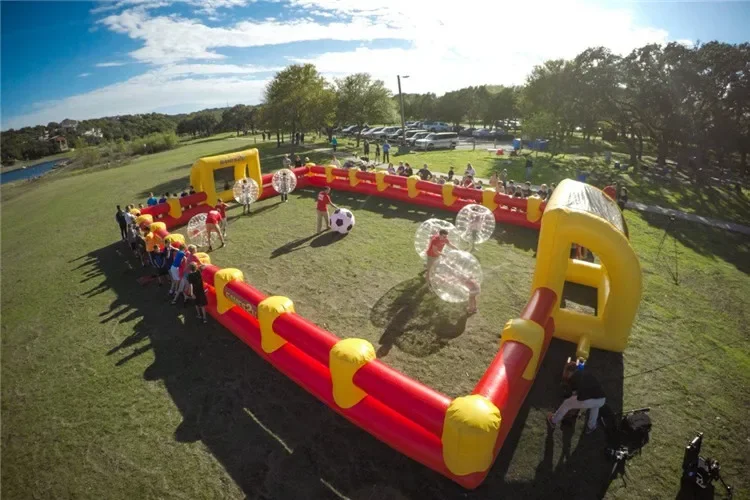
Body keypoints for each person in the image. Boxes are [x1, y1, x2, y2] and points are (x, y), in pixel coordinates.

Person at [547, 361, 606, 434]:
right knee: (595, 406)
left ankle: (553, 420)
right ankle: (591, 426)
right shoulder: (584, 373)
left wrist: (572, 409)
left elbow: (575, 396)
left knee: (567, 404)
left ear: (569, 371)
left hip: (590, 400)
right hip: (602, 399)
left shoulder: (573, 379)